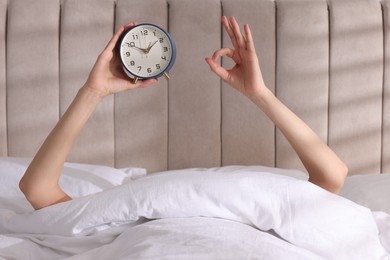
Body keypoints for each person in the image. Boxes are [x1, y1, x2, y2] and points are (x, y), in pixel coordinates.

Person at [19, 16, 348, 210]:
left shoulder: (256, 214)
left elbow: (38, 190)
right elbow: (331, 176)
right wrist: (95, 90)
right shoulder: (127, 214)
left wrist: (260, 94)